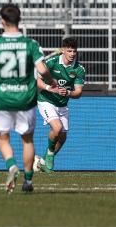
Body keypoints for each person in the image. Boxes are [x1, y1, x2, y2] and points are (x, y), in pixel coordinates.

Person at [0, 4, 57, 193]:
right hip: (26, 99)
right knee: (27, 140)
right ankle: (28, 181)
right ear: (19, 19)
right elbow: (42, 70)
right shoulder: (31, 44)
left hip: (4, 98)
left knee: (3, 138)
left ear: (2, 21)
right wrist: (51, 82)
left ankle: (12, 165)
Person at [36, 38, 85, 173]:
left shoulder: (79, 69)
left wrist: (68, 92)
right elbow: (37, 82)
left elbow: (78, 92)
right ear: (63, 50)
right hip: (46, 101)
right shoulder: (51, 63)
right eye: (69, 51)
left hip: (62, 105)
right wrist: (49, 87)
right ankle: (50, 156)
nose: (72, 53)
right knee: (57, 128)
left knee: (62, 138)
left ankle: (43, 162)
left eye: (74, 51)